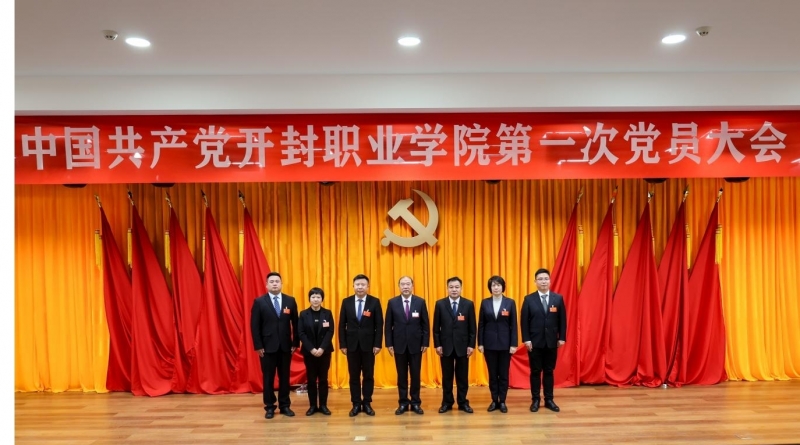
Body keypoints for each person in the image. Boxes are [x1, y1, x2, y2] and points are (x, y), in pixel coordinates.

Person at [250, 272, 299, 419]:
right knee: (268, 378)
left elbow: (296, 323)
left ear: (281, 284)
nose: (275, 284)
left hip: (285, 347)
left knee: (285, 377)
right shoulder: (259, 302)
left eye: (277, 281)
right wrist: (258, 345)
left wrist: (295, 342)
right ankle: (270, 406)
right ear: (267, 285)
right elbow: (254, 326)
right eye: (271, 281)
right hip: (266, 348)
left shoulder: (290, 301)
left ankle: (285, 405)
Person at [521, 268, 567, 413]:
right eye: (540, 279)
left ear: (550, 281)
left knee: (549, 371)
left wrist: (562, 337)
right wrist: (526, 339)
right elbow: (524, 322)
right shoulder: (529, 299)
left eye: (546, 278)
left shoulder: (557, 299)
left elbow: (562, 320)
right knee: (535, 371)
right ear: (535, 282)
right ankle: (535, 400)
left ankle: (549, 399)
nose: (543, 281)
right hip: (534, 342)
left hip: (552, 342)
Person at [338, 274, 384, 417]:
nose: (360, 287)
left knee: (368, 375)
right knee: (354, 376)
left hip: (369, 346)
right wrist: (343, 344)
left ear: (368, 286)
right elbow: (341, 325)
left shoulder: (374, 302)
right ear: (353, 286)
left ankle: (367, 403)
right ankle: (356, 404)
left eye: (363, 284)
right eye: (357, 284)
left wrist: (377, 344)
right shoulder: (346, 302)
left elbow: (379, 325)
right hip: (351, 346)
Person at [385, 276, 430, 415]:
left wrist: (425, 342)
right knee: (401, 376)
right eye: (403, 284)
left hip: (416, 345)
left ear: (412, 286)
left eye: (408, 284)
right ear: (399, 286)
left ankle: (415, 402)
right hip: (398, 345)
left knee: (415, 375)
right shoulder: (392, 302)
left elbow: (425, 325)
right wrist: (389, 343)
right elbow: (388, 326)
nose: (405, 287)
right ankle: (403, 402)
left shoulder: (420, 302)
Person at [432, 276, 476, 414]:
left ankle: (463, 402)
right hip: (445, 347)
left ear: (461, 288)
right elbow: (436, 328)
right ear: (447, 288)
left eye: (457, 287)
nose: (454, 290)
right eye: (451, 287)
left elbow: (472, 328)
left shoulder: (468, 304)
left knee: (462, 377)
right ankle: (447, 402)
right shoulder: (440, 304)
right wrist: (437, 345)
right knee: (447, 377)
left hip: (463, 346)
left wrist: (471, 345)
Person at [477, 275, 518, 413]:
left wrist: (513, 344)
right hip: (489, 344)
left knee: (504, 374)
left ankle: (503, 401)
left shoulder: (510, 302)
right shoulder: (485, 303)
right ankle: (494, 400)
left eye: (498, 285)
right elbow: (481, 324)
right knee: (493, 374)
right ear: (490, 288)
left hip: (506, 345)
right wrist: (480, 343)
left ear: (502, 287)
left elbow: (513, 325)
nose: (496, 287)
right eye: (493, 285)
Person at [297, 287, 334, 416]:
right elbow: (301, 333)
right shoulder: (303, 314)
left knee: (323, 379)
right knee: (311, 379)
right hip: (309, 352)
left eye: (318, 297)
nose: (316, 299)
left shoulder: (327, 313)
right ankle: (312, 406)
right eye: (313, 297)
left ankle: (323, 405)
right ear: (309, 299)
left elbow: (330, 331)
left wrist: (322, 348)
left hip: (325, 351)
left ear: (322, 299)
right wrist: (312, 349)